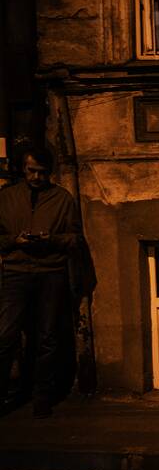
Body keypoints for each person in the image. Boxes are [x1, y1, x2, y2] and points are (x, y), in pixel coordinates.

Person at [0, 148, 82, 418]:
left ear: (50, 172)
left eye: (42, 172)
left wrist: (52, 240)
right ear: (23, 169)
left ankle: (42, 395)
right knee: (6, 335)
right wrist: (15, 240)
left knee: (48, 336)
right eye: (31, 170)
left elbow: (74, 238)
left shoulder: (62, 198)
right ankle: (6, 394)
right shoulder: (7, 198)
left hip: (50, 272)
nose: (36, 176)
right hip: (16, 272)